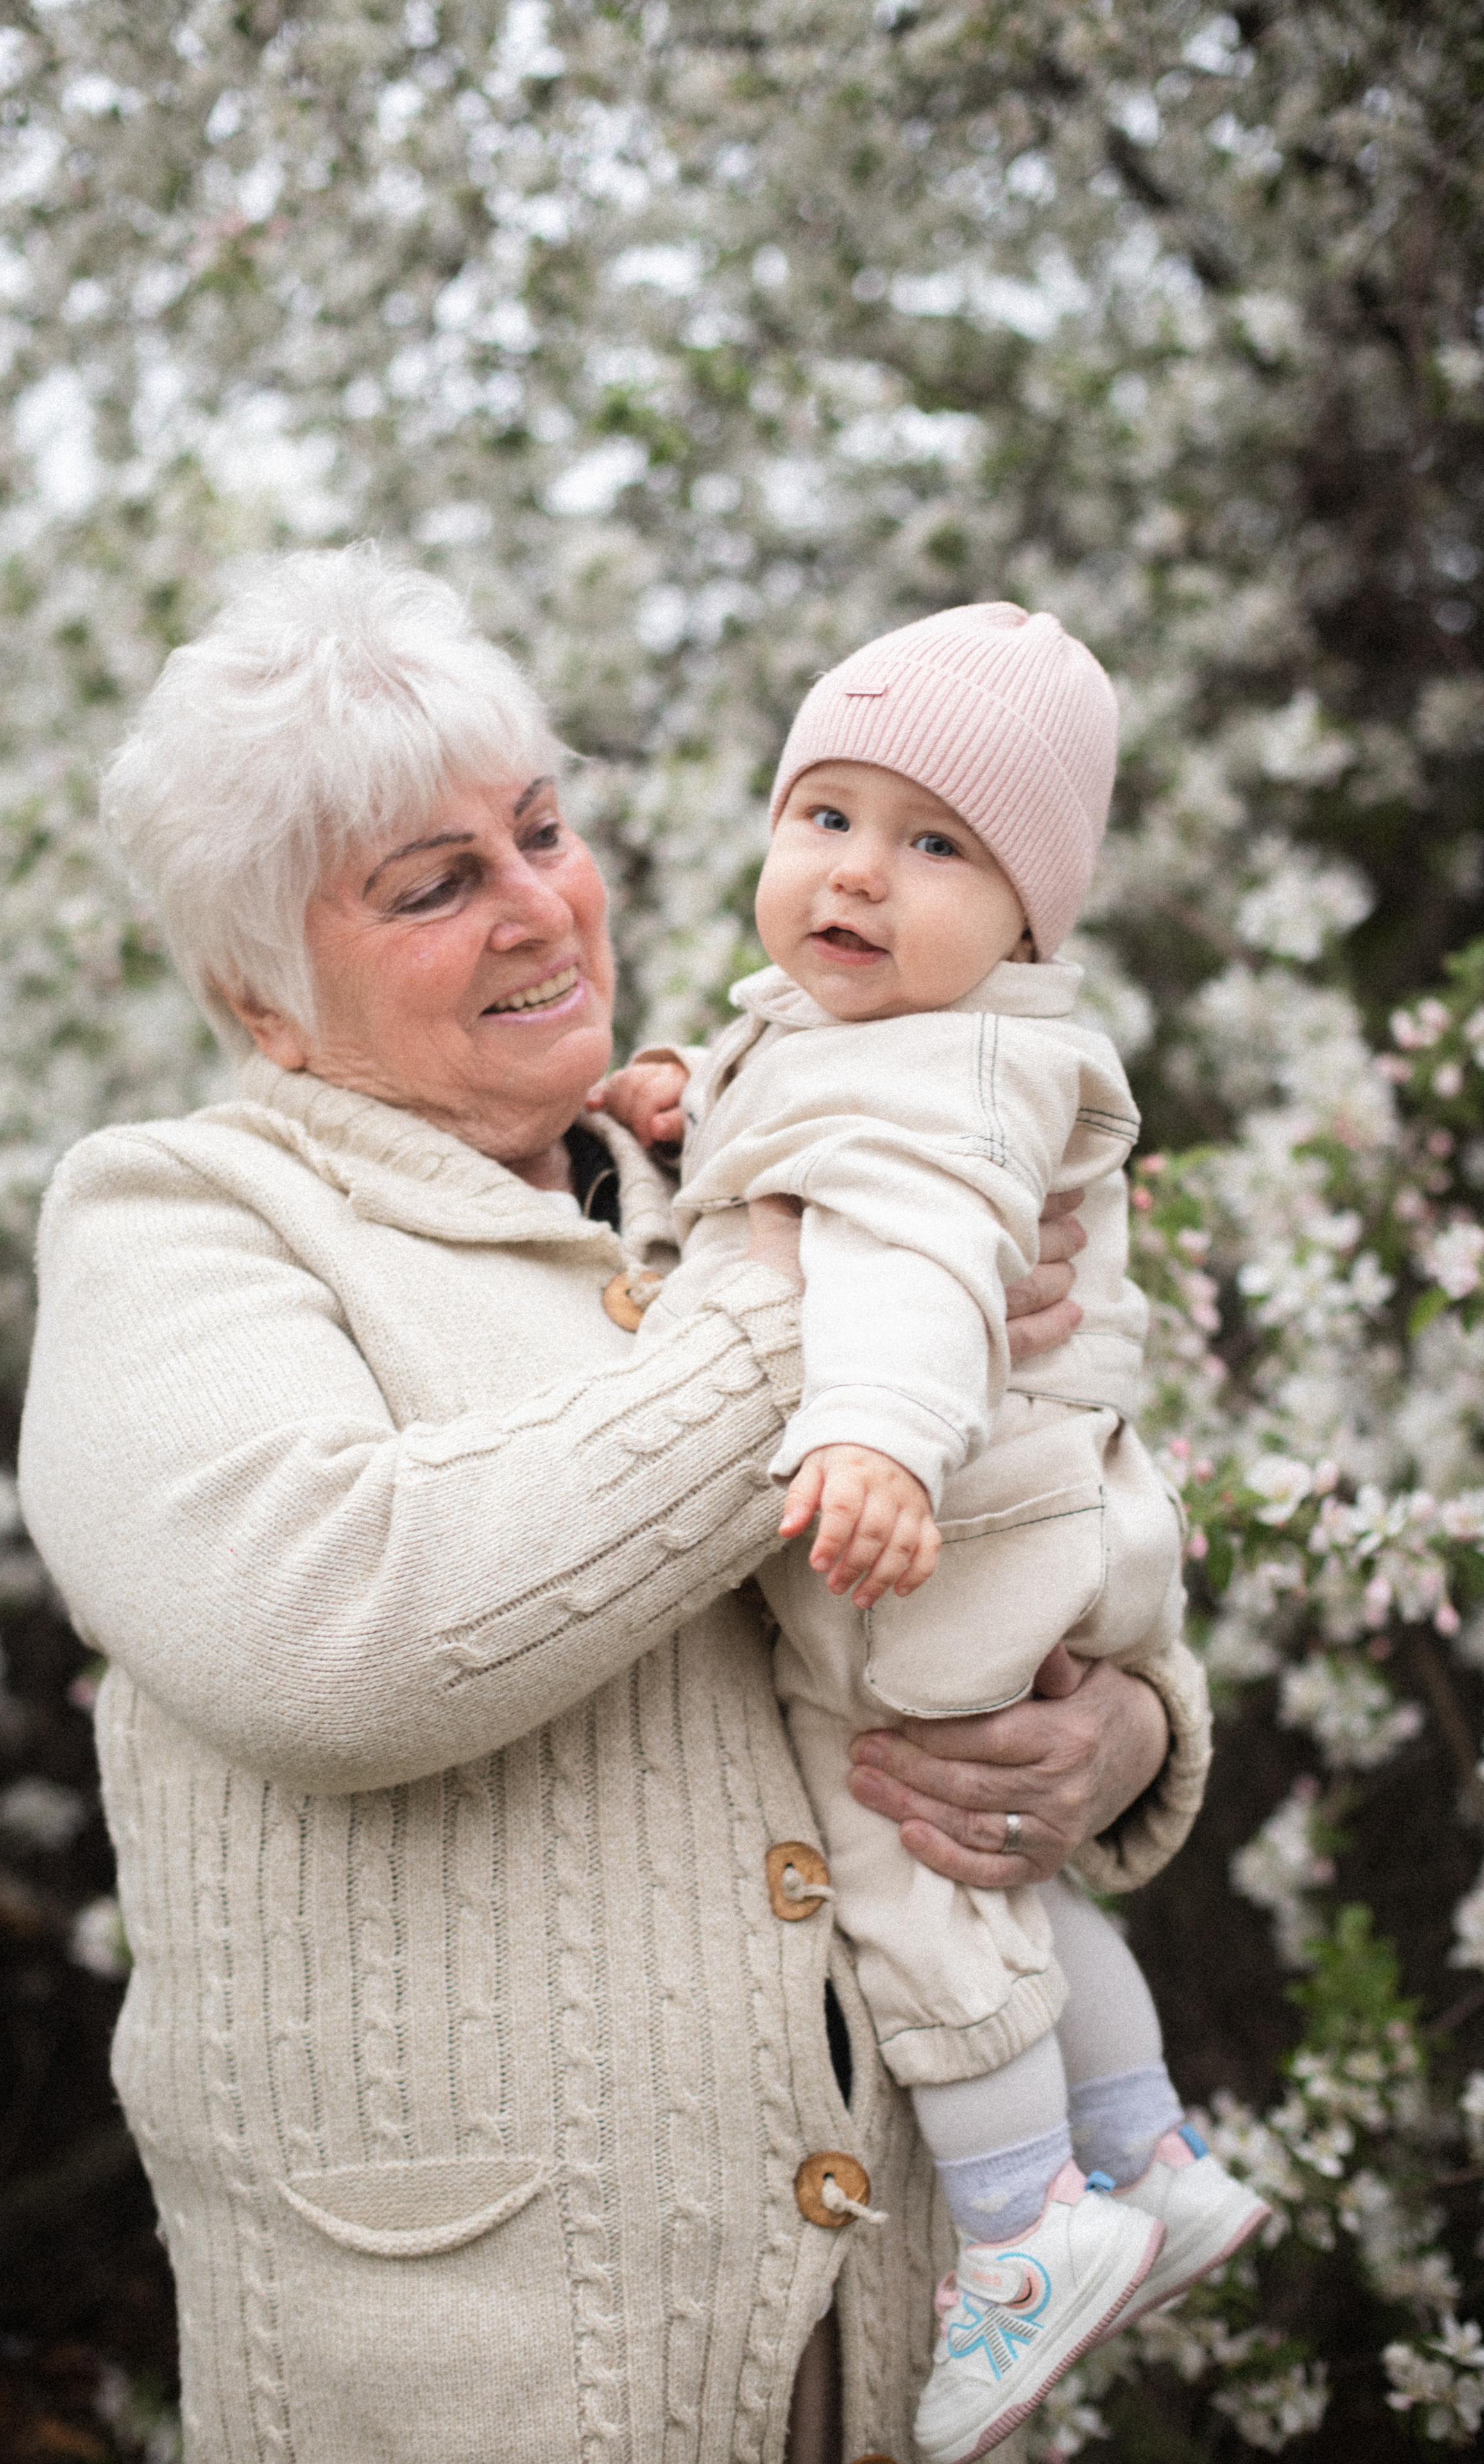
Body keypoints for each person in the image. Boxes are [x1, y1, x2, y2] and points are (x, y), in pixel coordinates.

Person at [17, 548, 1211, 2464]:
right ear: (260, 993)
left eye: (544, 832)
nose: (539, 909)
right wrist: (806, 1318)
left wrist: (1124, 1728)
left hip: (905, 2334)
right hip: (495, 2372)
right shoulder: (180, 1221)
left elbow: (1049, 1492)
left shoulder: (727, 1164)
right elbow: (335, 1635)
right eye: (435, 883)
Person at [597, 606, 1265, 2463]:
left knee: (904, 1854)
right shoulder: (874, 1033)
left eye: (936, 845)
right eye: (825, 816)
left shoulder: (943, 1075)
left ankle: (1028, 2227)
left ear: (1031, 923)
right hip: (1047, 1531)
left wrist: (878, 1439)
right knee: (1017, 1875)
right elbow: (784, 1134)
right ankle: (1144, 2142)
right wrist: (682, 1104)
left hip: (939, 1529)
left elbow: (911, 1257)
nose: (859, 876)